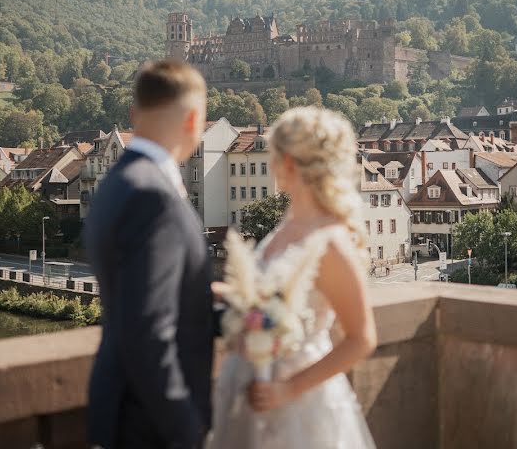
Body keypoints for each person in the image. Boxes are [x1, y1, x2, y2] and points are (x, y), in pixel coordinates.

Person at [208, 106, 378, 449]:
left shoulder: (330, 240)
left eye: (272, 155)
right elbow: (268, 297)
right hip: (251, 381)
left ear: (288, 163)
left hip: (300, 401)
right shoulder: (288, 224)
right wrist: (227, 292)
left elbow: (362, 339)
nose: (269, 164)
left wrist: (289, 389)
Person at [84, 60, 213, 449]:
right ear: (193, 120)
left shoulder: (116, 182)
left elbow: (138, 298)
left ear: (134, 114)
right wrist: (185, 427)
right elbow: (149, 331)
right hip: (151, 425)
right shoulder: (154, 196)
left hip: (120, 411)